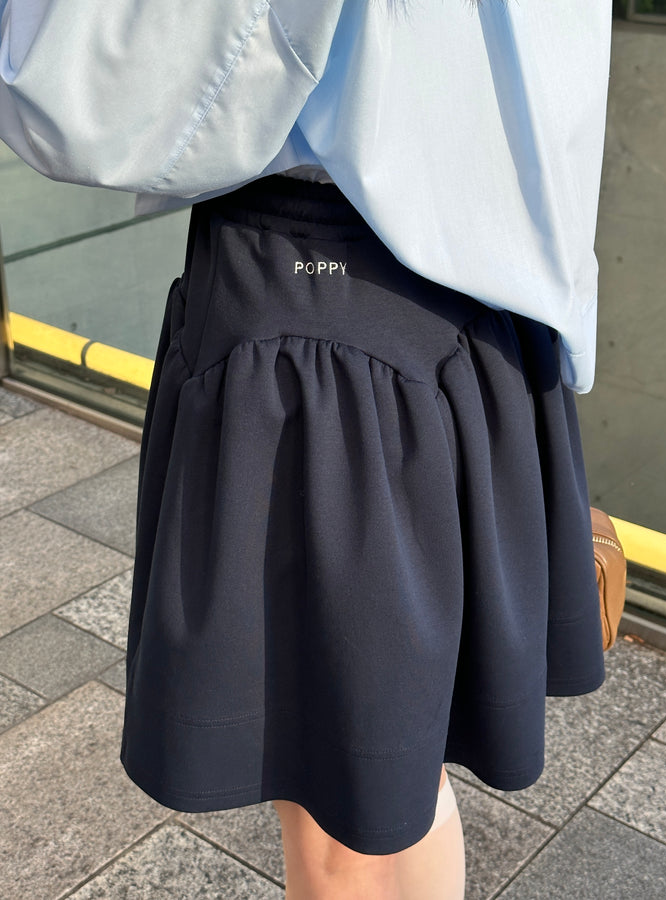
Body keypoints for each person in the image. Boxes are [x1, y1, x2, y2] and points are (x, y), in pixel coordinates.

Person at [1, 2, 613, 897]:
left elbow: (72, 94)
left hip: (317, 311)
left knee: (349, 817)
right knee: (388, 780)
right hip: (482, 281)